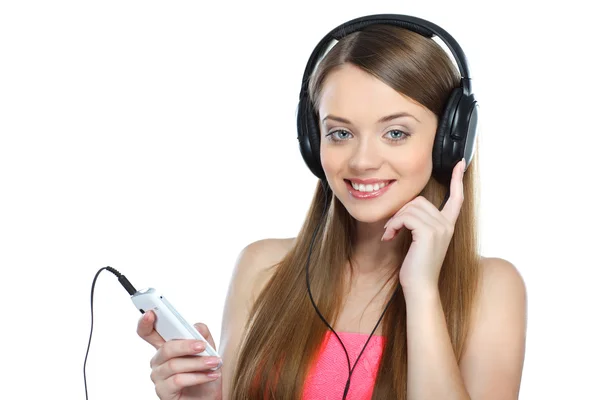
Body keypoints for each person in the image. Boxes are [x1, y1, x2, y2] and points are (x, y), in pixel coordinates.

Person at [137, 14, 527, 400]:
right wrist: (203, 398)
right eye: (340, 133)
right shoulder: (263, 267)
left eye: (395, 133)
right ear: (313, 141)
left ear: (449, 142)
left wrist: (422, 290)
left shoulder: (490, 289)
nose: (361, 161)